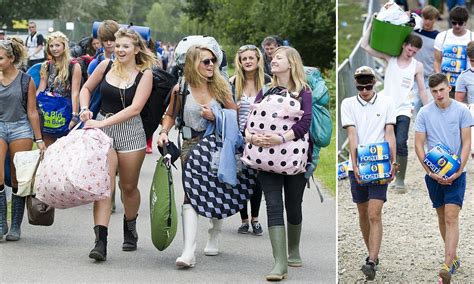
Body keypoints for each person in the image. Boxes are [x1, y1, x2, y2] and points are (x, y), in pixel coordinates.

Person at [79, 27, 155, 261]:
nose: (119, 50)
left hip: (131, 134)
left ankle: (130, 228)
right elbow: (86, 88)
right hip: (103, 133)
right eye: (117, 45)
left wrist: (103, 124)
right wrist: (84, 109)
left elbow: (135, 109)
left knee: (128, 188)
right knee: (104, 187)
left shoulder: (145, 74)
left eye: (125, 46)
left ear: (136, 49)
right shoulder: (105, 66)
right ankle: (100, 242)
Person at [157, 45, 236, 268]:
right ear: (193, 63)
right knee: (191, 193)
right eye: (206, 61)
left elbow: (235, 114)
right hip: (189, 146)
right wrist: (163, 132)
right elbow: (170, 115)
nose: (211, 65)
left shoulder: (222, 86)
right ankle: (188, 252)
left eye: (213, 60)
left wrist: (215, 116)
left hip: (216, 145)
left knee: (215, 190)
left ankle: (214, 232)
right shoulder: (181, 88)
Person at [243, 46, 311, 281]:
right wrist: (252, 138)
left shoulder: (304, 91)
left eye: (278, 58)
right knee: (273, 205)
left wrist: (280, 138)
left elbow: (305, 124)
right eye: (272, 58)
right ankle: (279, 264)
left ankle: (293, 250)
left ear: (291, 63)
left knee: (293, 205)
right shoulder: (265, 91)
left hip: (294, 158)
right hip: (265, 158)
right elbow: (249, 123)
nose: (273, 60)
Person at [340, 66, 397, 281]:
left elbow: (389, 133)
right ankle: (372, 253)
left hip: (380, 162)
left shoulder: (387, 102)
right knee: (363, 213)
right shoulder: (348, 104)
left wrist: (392, 161)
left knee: (374, 213)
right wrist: (354, 165)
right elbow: (352, 135)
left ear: (374, 83)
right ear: (356, 84)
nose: (364, 90)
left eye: (368, 86)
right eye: (360, 86)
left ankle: (371, 260)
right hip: (360, 162)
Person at [414, 73, 471, 283]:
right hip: (433, 173)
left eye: (441, 90)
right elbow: (419, 144)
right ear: (431, 92)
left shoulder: (462, 111)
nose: (438, 95)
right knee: (441, 216)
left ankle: (447, 264)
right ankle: (453, 258)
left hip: (457, 172)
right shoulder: (424, 113)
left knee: (451, 216)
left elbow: (466, 143)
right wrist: (430, 171)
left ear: (449, 88)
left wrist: (459, 168)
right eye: (434, 91)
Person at [362, 18, 428, 193]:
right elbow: (365, 46)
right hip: (385, 107)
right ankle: (381, 174)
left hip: (404, 109)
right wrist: (370, 26)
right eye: (409, 50)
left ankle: (400, 179)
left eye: (414, 52)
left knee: (401, 142)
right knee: (383, 142)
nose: (410, 54)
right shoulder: (389, 58)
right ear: (403, 45)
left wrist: (428, 108)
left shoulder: (417, 66)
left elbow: (422, 89)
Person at [0, 37, 45, 241]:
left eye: (0, 58)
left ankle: (16, 225)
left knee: (19, 178)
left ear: (11, 58)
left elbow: (32, 112)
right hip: (0, 127)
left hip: (21, 129)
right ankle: (2, 223)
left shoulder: (26, 80)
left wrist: (39, 139)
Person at [229, 44, 271, 236]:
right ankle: (244, 220)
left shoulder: (268, 83)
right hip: (239, 138)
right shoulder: (233, 83)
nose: (247, 61)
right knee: (240, 179)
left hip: (261, 139)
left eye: (250, 58)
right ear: (239, 62)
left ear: (257, 60)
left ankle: (255, 218)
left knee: (257, 181)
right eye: (243, 58)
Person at [37, 31, 81, 147]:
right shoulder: (46, 65)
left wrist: (75, 116)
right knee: (48, 149)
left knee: (64, 149)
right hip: (48, 110)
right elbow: (41, 90)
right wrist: (34, 109)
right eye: (51, 46)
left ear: (64, 46)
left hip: (65, 110)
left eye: (57, 45)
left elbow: (75, 92)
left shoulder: (74, 65)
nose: (54, 49)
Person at [434, 6, 473, 96]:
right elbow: (437, 61)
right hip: (447, 84)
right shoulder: (442, 36)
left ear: (466, 23)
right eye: (454, 23)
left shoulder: (472, 37)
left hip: (467, 85)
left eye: (460, 23)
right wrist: (439, 77)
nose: (457, 26)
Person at [413, 5, 440, 115]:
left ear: (435, 19)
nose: (427, 21)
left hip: (429, 75)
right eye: (425, 18)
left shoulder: (438, 36)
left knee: (429, 104)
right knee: (415, 102)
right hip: (413, 74)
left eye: (430, 19)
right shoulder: (414, 31)